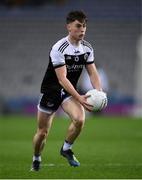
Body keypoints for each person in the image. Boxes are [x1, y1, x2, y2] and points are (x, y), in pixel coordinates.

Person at [31, 10, 103, 171]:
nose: (82, 29)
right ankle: (36, 158)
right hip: (52, 91)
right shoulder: (59, 48)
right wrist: (79, 97)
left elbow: (92, 72)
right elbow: (62, 79)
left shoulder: (87, 47)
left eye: (84, 26)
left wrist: (99, 92)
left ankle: (66, 149)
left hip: (68, 92)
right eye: (78, 26)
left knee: (80, 120)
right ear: (69, 27)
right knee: (42, 133)